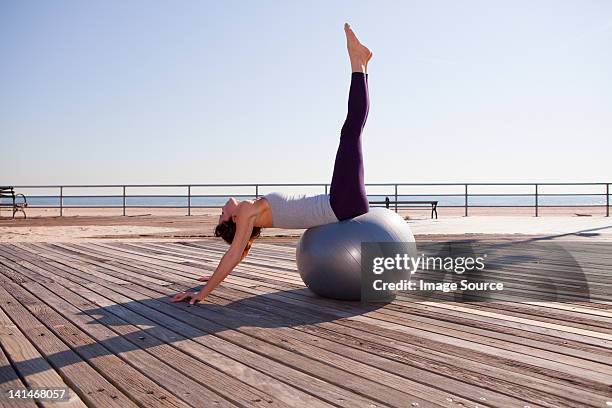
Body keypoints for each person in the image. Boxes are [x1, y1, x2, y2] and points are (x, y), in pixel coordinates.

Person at [172, 23, 373, 304]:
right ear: (232, 219)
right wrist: (202, 294)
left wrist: (213, 277)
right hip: (341, 203)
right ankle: (358, 63)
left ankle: (360, 63)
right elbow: (233, 253)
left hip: (339, 201)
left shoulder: (250, 214)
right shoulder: (245, 214)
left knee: (351, 131)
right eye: (220, 216)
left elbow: (239, 252)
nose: (220, 210)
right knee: (350, 131)